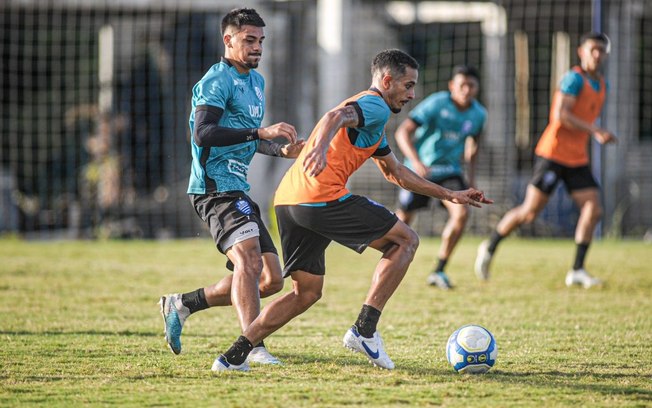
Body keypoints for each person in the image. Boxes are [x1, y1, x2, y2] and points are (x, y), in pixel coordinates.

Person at [211, 49, 492, 372]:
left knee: (307, 292)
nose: (412, 94)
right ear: (386, 81)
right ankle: (364, 329)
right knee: (406, 240)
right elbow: (336, 117)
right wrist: (317, 148)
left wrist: (450, 194)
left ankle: (233, 355)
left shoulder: (374, 120)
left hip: (289, 201)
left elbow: (396, 173)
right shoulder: (373, 104)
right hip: (320, 197)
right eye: (408, 85)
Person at [159, 7, 303, 365]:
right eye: (249, 40)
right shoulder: (215, 81)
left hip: (237, 188)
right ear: (229, 40)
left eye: (260, 41)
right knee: (249, 261)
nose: (257, 48)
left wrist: (280, 149)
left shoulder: (256, 82)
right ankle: (252, 348)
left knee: (270, 280)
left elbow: (247, 140)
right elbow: (203, 133)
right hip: (213, 188)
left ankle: (182, 304)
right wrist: (260, 132)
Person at [475, 32, 616, 288]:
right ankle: (490, 245)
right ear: (581, 51)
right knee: (529, 213)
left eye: (602, 50)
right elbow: (561, 116)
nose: (597, 54)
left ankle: (577, 270)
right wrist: (596, 130)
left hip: (577, 158)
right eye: (593, 49)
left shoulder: (602, 84)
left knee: (593, 208)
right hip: (553, 154)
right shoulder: (574, 79)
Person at [394, 65, 487, 289]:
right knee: (401, 223)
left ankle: (439, 270)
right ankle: (391, 265)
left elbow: (473, 147)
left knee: (461, 213)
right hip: (420, 172)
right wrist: (416, 162)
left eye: (471, 85)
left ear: (477, 88)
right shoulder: (437, 103)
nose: (466, 90)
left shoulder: (479, 114)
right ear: (452, 86)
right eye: (462, 85)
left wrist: (472, 181)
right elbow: (403, 132)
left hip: (450, 172)